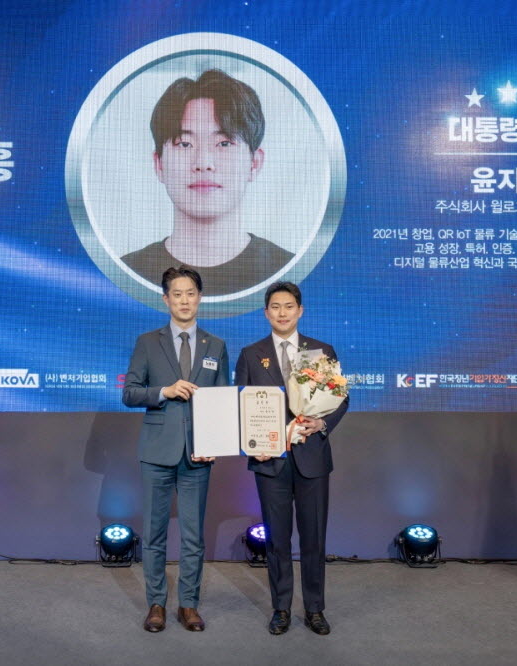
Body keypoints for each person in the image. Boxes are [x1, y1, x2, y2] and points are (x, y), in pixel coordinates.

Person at [233, 281, 349, 636]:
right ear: (266, 312)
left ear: (300, 311)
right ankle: (281, 608)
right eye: (275, 307)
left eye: (288, 306)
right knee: (277, 540)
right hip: (270, 460)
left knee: (314, 539)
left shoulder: (321, 351)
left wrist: (322, 423)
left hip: (312, 457)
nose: (282, 313)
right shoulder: (251, 354)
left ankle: (315, 609)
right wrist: (251, 443)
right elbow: (240, 405)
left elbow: (341, 398)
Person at [122, 266, 230, 632]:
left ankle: (188, 604)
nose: (184, 300)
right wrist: (164, 391)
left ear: (200, 298)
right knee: (153, 534)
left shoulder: (216, 345)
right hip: (157, 452)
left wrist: (215, 442)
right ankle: (156, 603)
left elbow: (222, 401)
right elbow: (130, 393)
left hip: (198, 454)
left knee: (193, 536)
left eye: (191, 294)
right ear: (166, 299)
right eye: (177, 294)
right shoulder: (147, 342)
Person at [122, 69, 293, 296]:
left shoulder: (287, 272)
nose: (203, 163)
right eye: (184, 144)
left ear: (254, 163)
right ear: (159, 164)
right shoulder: (126, 274)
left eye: (224, 143)